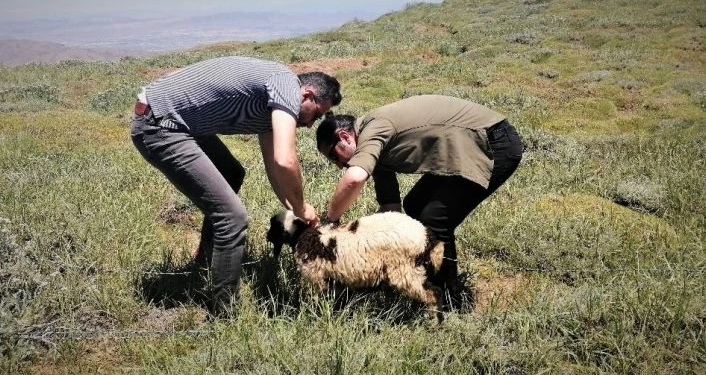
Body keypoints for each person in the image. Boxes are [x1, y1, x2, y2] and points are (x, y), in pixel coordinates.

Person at [130, 55, 341, 315]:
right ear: (307, 95)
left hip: (176, 120)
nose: (310, 125)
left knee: (231, 172)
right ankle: (223, 314)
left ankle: (207, 259)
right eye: (316, 115)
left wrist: (295, 209)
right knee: (232, 216)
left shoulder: (271, 106)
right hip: (160, 124)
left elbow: (274, 170)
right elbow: (286, 160)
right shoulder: (285, 84)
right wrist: (302, 206)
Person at [315, 95, 522, 302]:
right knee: (415, 204)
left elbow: (354, 179)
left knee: (435, 219)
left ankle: (448, 300)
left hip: (493, 144)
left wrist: (330, 222)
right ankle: (426, 280)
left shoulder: (374, 129)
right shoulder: (375, 146)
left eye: (334, 156)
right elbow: (391, 211)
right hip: (469, 145)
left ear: (345, 136)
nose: (339, 165)